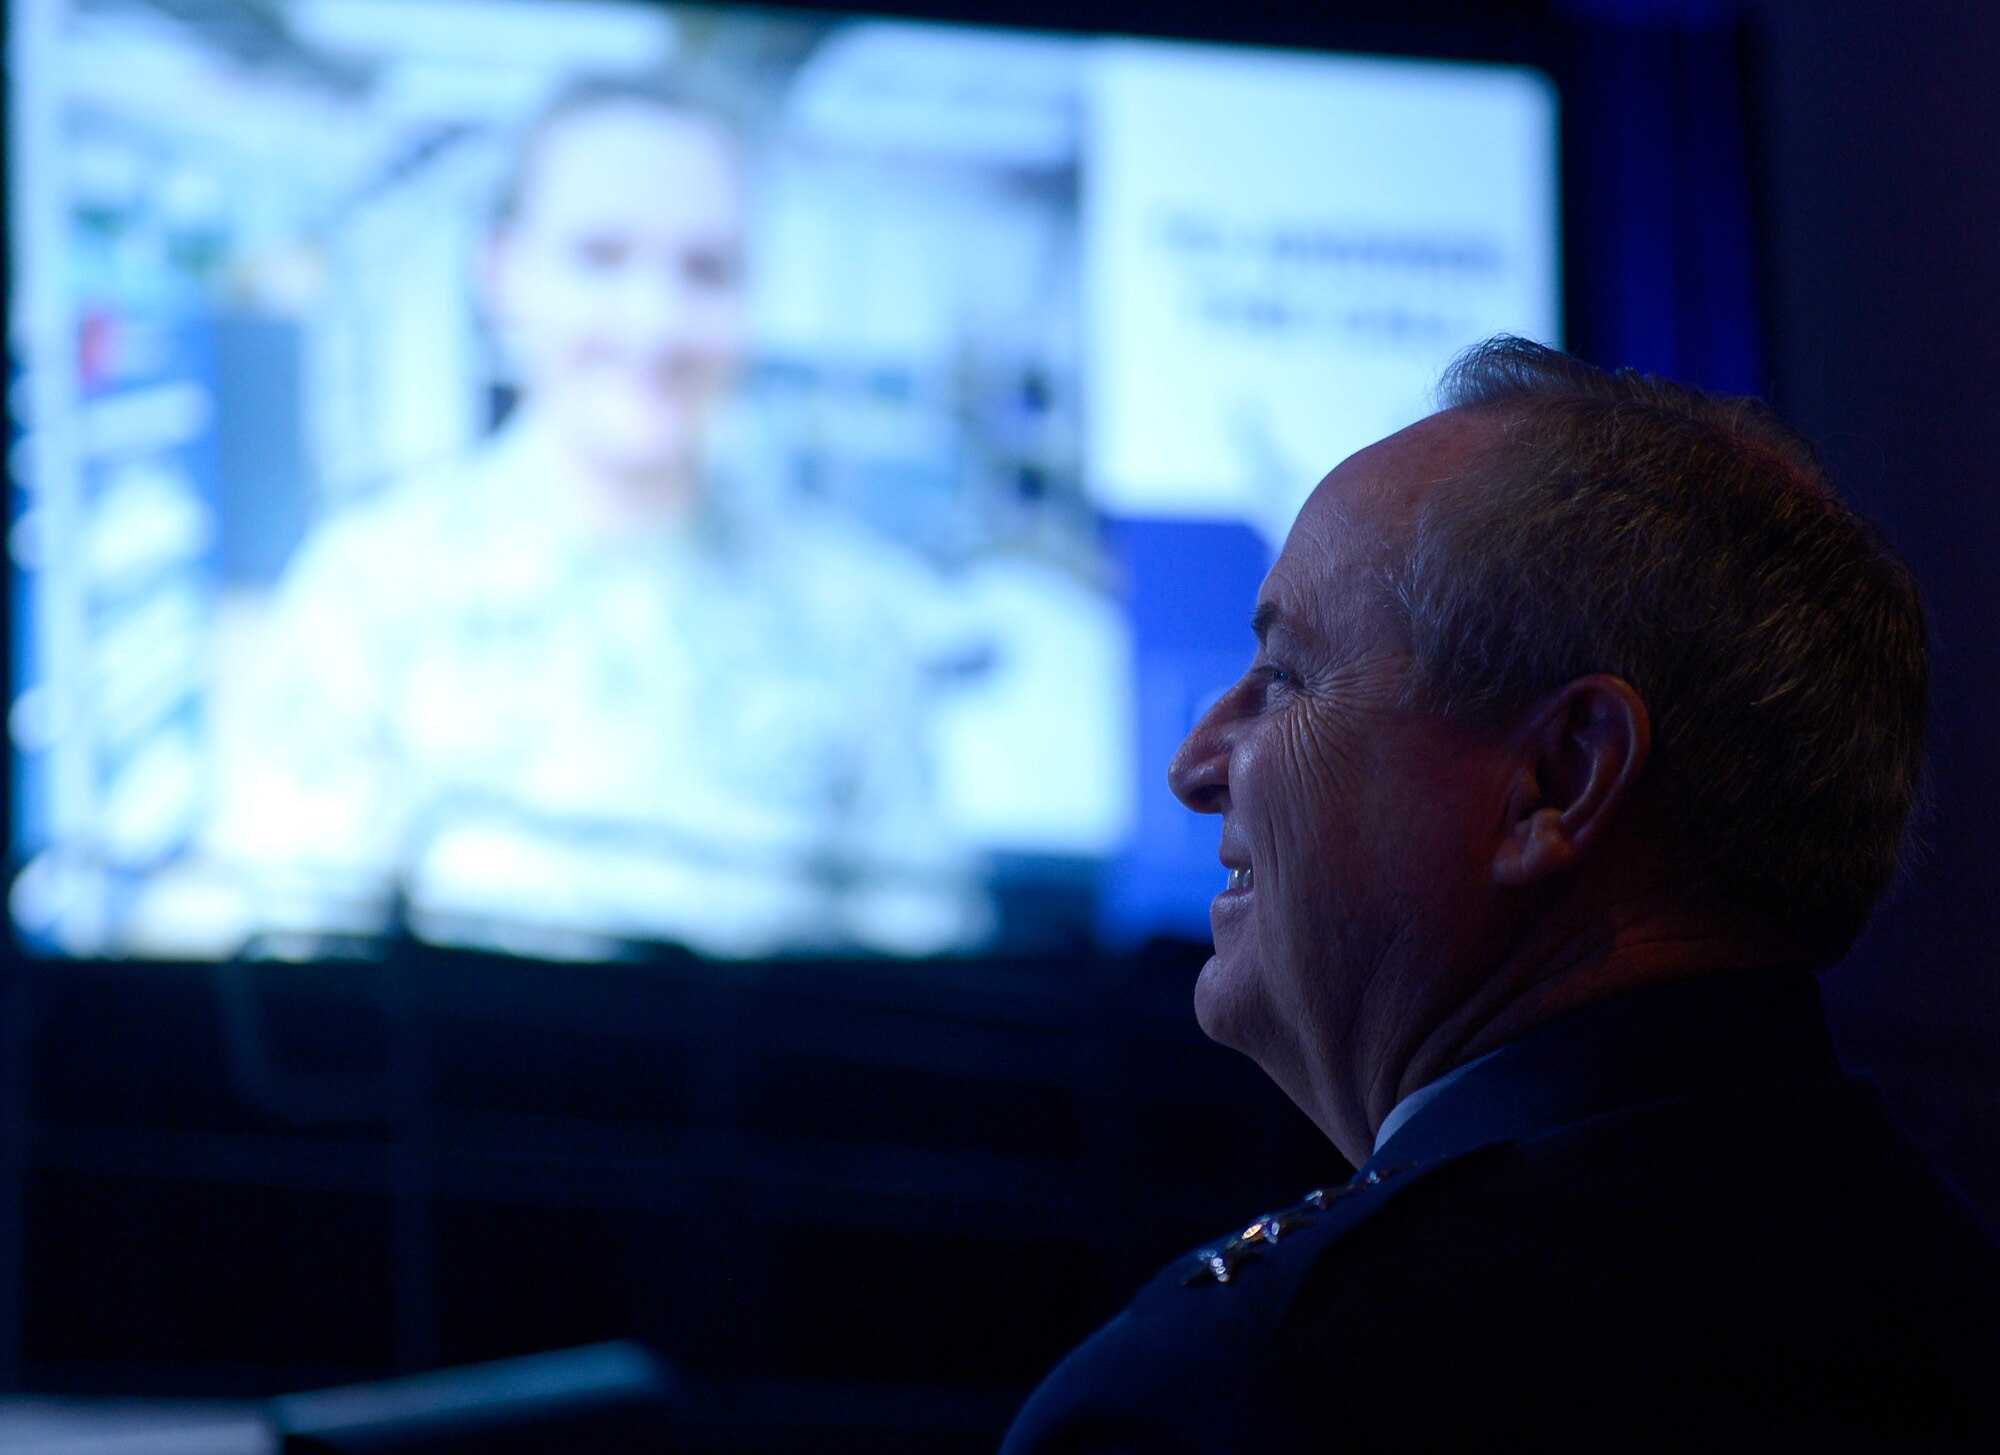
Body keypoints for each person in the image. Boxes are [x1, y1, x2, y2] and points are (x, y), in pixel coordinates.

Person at [1002, 337, 2000, 1451]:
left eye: (1282, 679)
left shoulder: (1245, 1395)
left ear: (1557, 779)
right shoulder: (1955, 1307)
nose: (1193, 762)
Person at [216, 78, 985, 959]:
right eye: (600, 256)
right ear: (503, 273)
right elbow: (285, 969)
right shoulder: (369, 592)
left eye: (706, 270)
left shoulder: (851, 616)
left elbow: (927, 978)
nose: (654, 323)